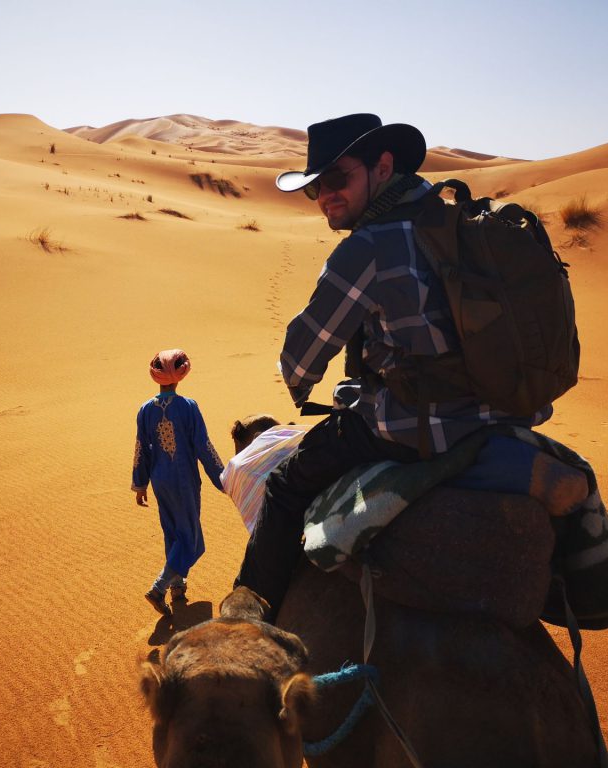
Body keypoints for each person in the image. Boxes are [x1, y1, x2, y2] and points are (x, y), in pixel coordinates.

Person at [234, 113, 554, 619]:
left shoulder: (368, 247)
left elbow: (301, 357)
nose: (325, 197)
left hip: (413, 429)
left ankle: (248, 625)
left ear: (382, 167)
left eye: (338, 179)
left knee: (284, 485)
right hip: (508, 415)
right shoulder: (460, 223)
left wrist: (301, 384)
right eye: (314, 188)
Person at [133, 349, 225, 617]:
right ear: (181, 375)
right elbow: (203, 446)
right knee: (192, 539)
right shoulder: (188, 406)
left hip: (160, 480)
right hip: (184, 479)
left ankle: (178, 585)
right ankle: (159, 587)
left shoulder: (145, 409)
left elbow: (141, 449)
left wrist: (140, 485)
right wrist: (222, 477)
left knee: (172, 532)